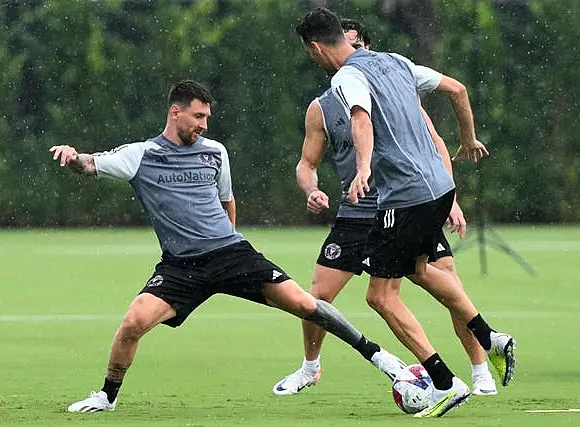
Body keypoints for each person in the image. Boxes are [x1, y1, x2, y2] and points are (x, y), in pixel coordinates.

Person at [51, 80, 409, 413]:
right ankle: (106, 396)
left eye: (207, 117)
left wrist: (228, 245)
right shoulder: (141, 155)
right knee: (133, 322)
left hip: (231, 254)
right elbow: (90, 164)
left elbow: (227, 201)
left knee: (305, 303)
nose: (204, 124)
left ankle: (384, 361)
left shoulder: (215, 153)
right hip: (181, 267)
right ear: (175, 112)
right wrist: (72, 157)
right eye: (199, 116)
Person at [296, 8, 516, 418]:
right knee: (421, 270)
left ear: (315, 47)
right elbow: (458, 89)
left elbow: (361, 119)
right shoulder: (395, 61)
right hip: (439, 188)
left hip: (404, 196)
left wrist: (363, 169)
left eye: (311, 55)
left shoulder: (346, 77)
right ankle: (491, 337)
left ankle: (445, 383)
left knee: (380, 296)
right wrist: (467, 139)